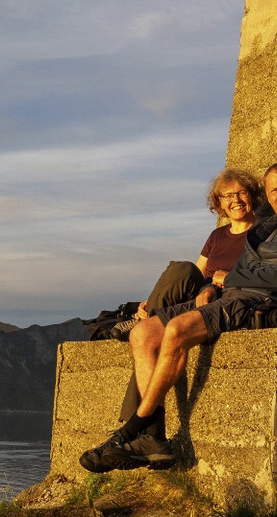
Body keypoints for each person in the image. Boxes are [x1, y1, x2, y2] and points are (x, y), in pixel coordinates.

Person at [80, 162, 277, 473]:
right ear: (266, 195)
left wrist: (229, 280)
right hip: (229, 295)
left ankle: (131, 430)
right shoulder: (267, 231)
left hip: (261, 302)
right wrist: (220, 285)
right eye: (275, 190)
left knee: (176, 329)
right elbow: (218, 275)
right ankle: (154, 438)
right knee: (143, 333)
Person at [111, 168, 263, 419]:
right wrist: (154, 297)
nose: (235, 200)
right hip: (202, 293)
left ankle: (134, 418)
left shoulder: (262, 232)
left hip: (228, 297)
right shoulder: (217, 236)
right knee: (181, 269)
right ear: (219, 203)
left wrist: (218, 284)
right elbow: (197, 272)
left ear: (252, 196)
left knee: (145, 337)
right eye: (227, 196)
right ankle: (147, 311)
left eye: (240, 193)